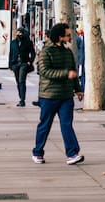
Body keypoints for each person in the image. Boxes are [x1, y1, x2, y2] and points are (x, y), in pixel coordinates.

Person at [33, 22, 85, 165]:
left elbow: (73, 71)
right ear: (60, 36)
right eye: (68, 35)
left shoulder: (68, 52)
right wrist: (65, 74)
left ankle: (72, 153)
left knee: (66, 124)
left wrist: (78, 89)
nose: (70, 37)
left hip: (66, 96)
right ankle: (38, 152)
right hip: (49, 96)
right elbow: (44, 71)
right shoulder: (46, 51)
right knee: (45, 125)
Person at [8, 27, 36, 107]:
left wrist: (30, 62)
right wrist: (10, 64)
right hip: (15, 64)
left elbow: (33, 53)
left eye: (20, 32)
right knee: (18, 82)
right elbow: (11, 54)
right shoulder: (13, 43)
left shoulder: (28, 42)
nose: (19, 34)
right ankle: (21, 98)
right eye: (18, 32)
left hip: (24, 63)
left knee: (21, 81)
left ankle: (22, 100)